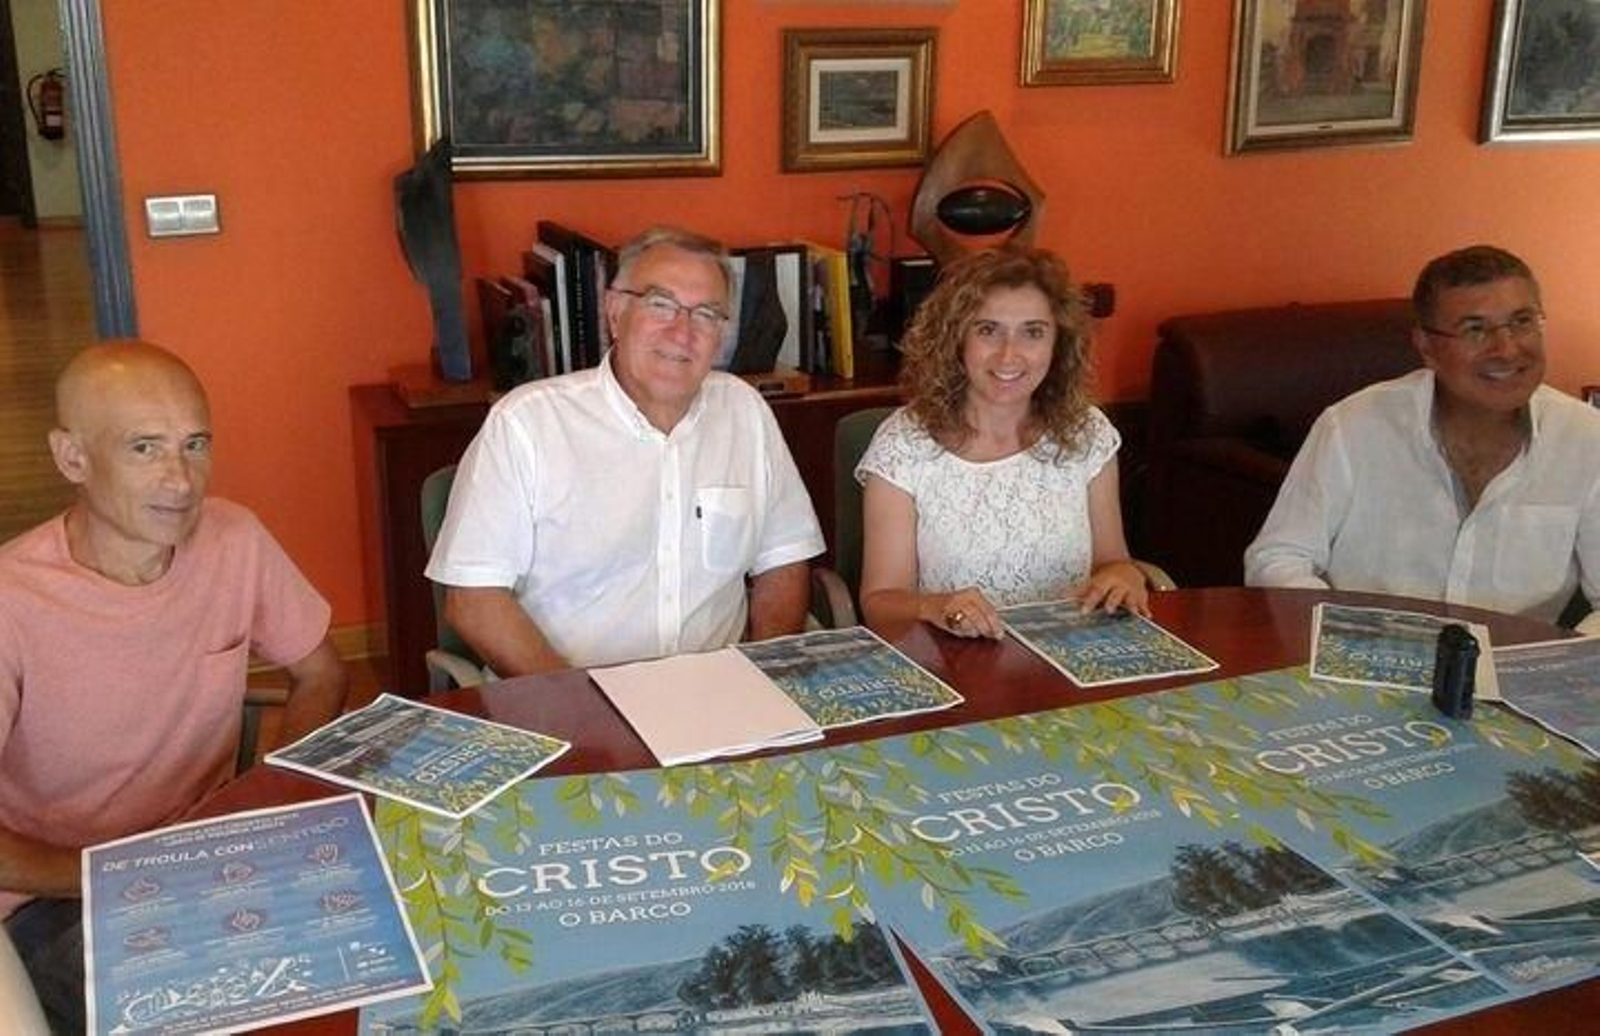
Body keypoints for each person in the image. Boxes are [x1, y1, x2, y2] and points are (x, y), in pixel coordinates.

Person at [0, 340, 348, 1031]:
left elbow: (322, 672)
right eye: (144, 449)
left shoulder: (235, 538)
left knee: (367, 965)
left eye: (195, 445)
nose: (181, 480)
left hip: (211, 861)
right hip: (59, 897)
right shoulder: (11, 600)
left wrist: (266, 800)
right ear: (72, 458)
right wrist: (122, 873)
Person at [427, 226, 824, 675]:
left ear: (722, 334)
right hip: (568, 701)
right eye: (660, 304)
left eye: (707, 314)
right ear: (615, 312)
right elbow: (474, 601)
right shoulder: (527, 425)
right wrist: (584, 704)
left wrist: (761, 674)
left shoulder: (745, 412)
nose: (682, 332)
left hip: (717, 697)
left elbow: (785, 560)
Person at [1245, 245, 1600, 633]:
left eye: (1522, 320)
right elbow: (1278, 558)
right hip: (1365, 664)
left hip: (1515, 677)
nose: (1507, 348)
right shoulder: (1353, 427)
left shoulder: (1586, 439)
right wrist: (1345, 636)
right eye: (1475, 329)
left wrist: (1562, 662)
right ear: (1427, 346)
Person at [856, 246, 1150, 640]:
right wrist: (935, 607)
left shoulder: (1086, 432)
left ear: (1057, 344)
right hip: (955, 662)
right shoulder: (903, 445)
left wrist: (1123, 577)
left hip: (1072, 655)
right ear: (956, 339)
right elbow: (880, 603)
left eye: (1033, 332)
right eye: (988, 330)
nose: (1010, 355)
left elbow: (1114, 562)